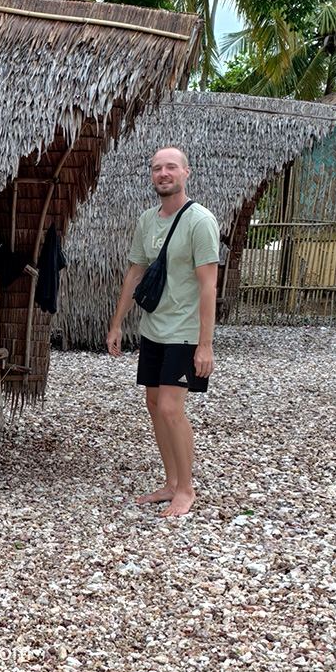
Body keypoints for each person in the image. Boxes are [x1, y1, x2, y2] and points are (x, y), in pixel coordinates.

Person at [106, 147, 219, 517]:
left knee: (172, 408)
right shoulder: (147, 221)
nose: (163, 173)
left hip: (185, 333)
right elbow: (135, 272)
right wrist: (117, 322)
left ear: (187, 172)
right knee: (154, 405)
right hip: (154, 329)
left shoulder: (200, 221)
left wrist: (206, 346)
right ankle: (171, 482)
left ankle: (186, 489)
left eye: (171, 167)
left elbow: (208, 286)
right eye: (157, 168)